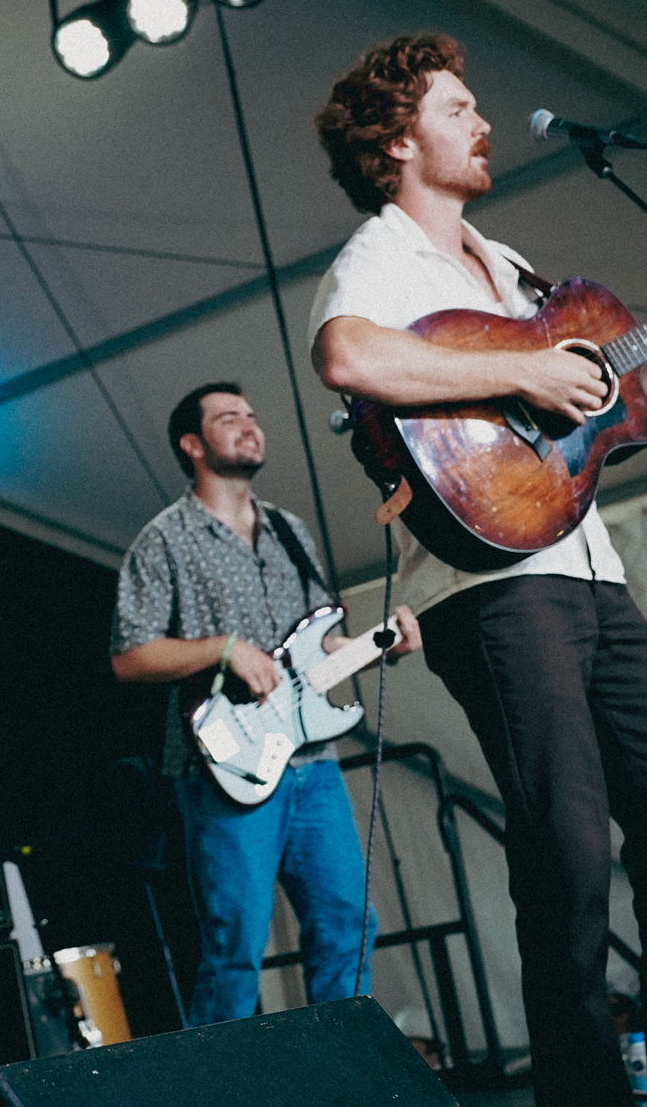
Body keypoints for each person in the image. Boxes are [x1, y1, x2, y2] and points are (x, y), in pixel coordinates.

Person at [307, 33, 647, 1106]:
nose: (481, 122)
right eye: (457, 109)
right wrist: (524, 369)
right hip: (486, 589)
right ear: (397, 141)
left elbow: (621, 400)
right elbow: (347, 358)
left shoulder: (509, 267)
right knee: (568, 855)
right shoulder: (379, 258)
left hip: (588, 576)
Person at [109, 383, 421, 1025]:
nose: (250, 426)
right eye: (229, 418)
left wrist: (377, 644)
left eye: (252, 415)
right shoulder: (164, 538)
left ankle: (338, 1084)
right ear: (192, 445)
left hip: (313, 763)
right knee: (235, 951)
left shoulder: (288, 528)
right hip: (222, 768)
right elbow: (130, 656)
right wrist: (223, 648)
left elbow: (317, 643)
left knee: (349, 923)